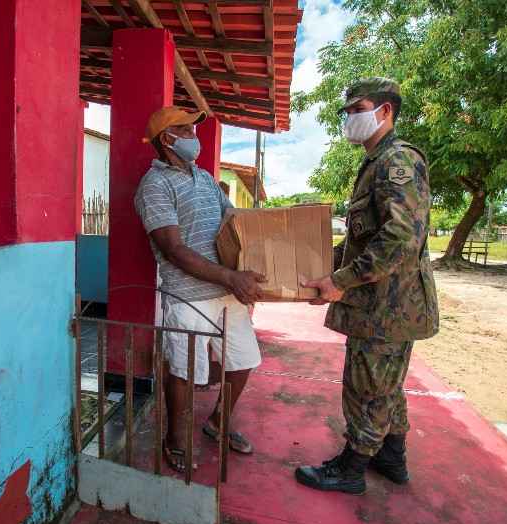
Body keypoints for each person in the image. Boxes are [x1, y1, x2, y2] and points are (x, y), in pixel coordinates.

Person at [296, 77, 440, 495]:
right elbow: (365, 236)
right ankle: (392, 459)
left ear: (385, 111)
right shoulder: (376, 162)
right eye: (347, 111)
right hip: (384, 303)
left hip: (386, 305)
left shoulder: (397, 161)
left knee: (368, 387)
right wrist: (326, 269)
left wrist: (340, 281)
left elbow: (400, 239)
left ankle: (352, 467)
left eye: (357, 109)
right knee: (386, 384)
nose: (349, 118)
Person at [134, 106, 265, 472]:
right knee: (184, 371)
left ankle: (218, 423)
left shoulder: (205, 178)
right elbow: (173, 250)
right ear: (167, 139)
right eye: (187, 130)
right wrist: (229, 277)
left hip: (227, 288)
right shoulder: (154, 186)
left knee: (243, 361)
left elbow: (232, 219)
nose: (195, 136)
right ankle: (174, 439)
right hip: (187, 294)